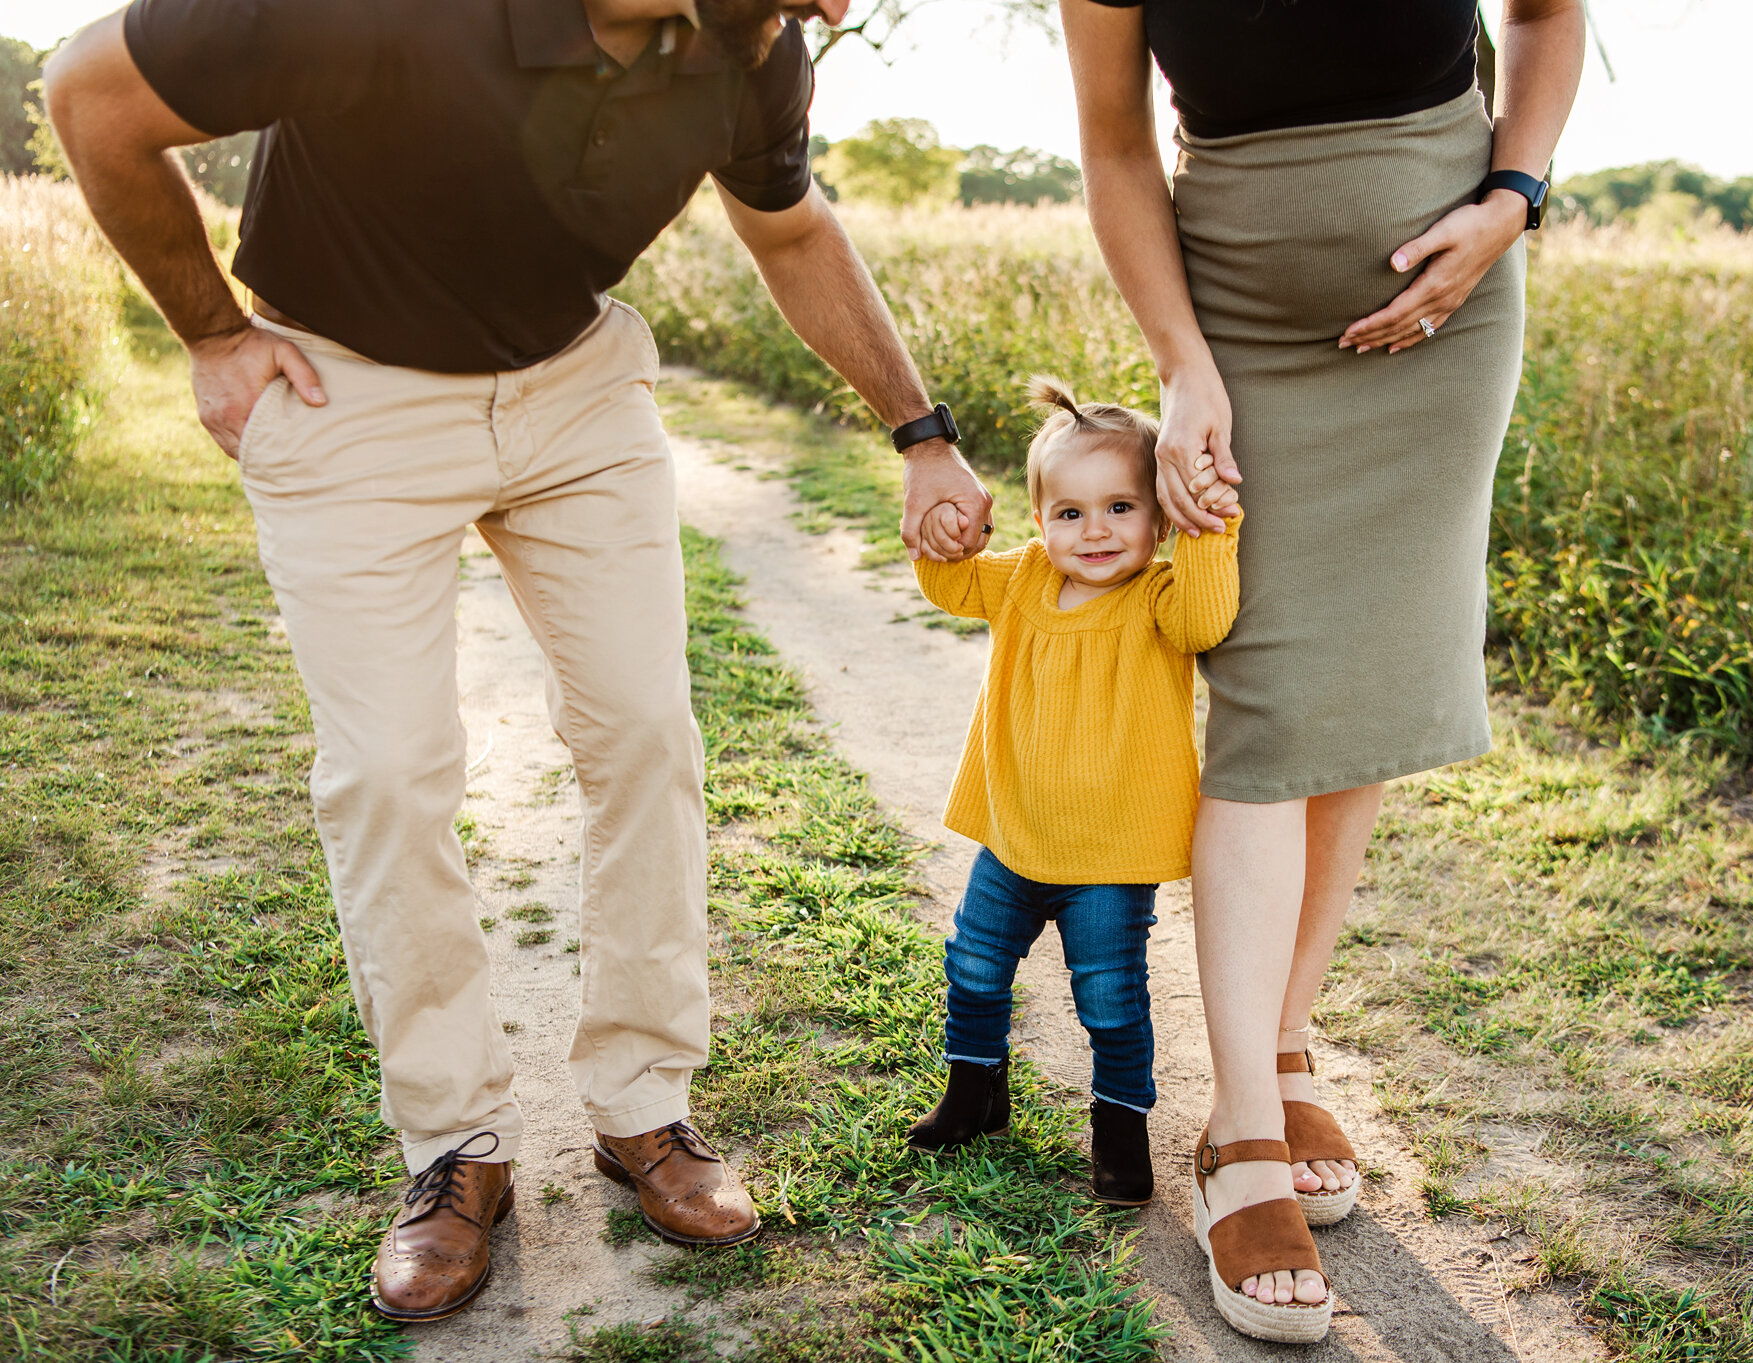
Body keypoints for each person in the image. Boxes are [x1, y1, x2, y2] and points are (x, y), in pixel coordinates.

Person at [44, 0, 994, 1324]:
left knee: (648, 734)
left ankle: (642, 1104)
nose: (818, 5)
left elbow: (789, 227)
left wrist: (921, 430)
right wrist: (210, 328)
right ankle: (453, 1146)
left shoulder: (748, 43)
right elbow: (91, 93)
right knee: (387, 770)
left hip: (573, 390)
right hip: (345, 387)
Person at [1060, 0, 1585, 1342]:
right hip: (1234, 317)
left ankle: (1282, 1043)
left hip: (1445, 314)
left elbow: (1545, 14)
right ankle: (1236, 1127)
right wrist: (1183, 371)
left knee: (1351, 696)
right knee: (1274, 697)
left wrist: (1515, 197)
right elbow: (1118, 146)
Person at [904, 378, 1239, 1208]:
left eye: (1121, 508)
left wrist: (1209, 526)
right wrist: (950, 531)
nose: (1095, 531)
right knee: (975, 965)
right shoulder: (1019, 578)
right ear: (1039, 520)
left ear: (1158, 516)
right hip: (1014, 838)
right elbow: (949, 586)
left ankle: (1120, 1125)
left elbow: (1208, 621)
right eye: (1070, 513)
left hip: (1110, 855)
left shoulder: (1159, 595)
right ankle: (975, 1091)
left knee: (1110, 997)